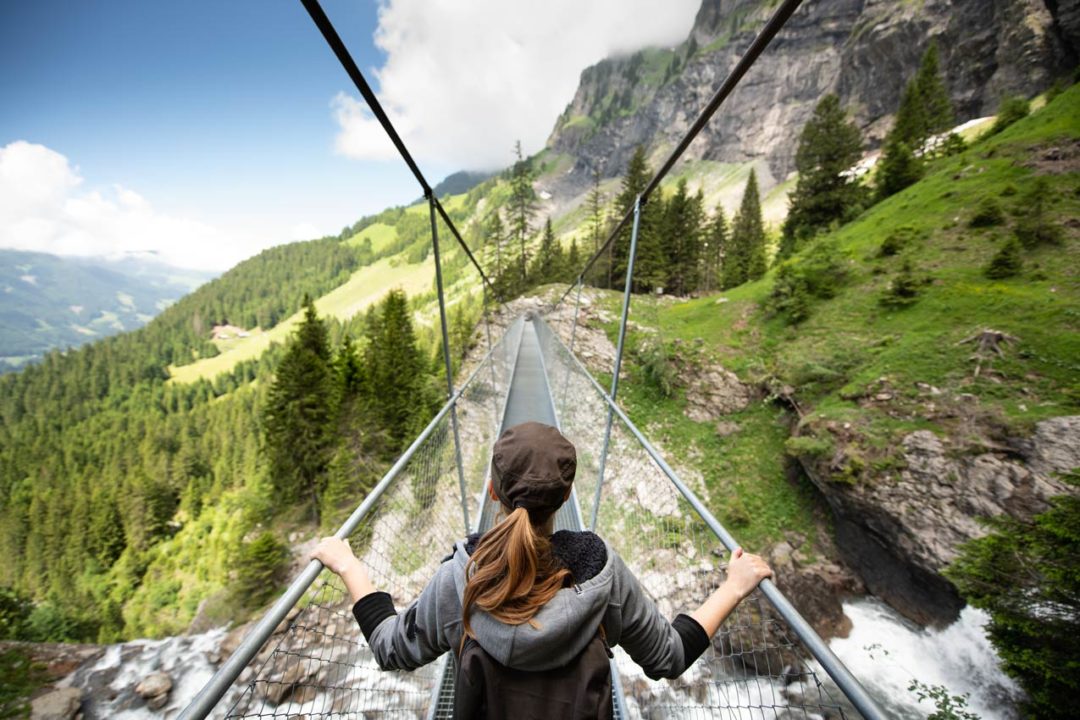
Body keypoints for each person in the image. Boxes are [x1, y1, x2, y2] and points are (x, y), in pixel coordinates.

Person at [312, 421, 772, 715]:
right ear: (567, 498)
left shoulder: (460, 578)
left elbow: (392, 650)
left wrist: (350, 566)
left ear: (493, 492)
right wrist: (732, 587)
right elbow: (667, 657)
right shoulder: (601, 572)